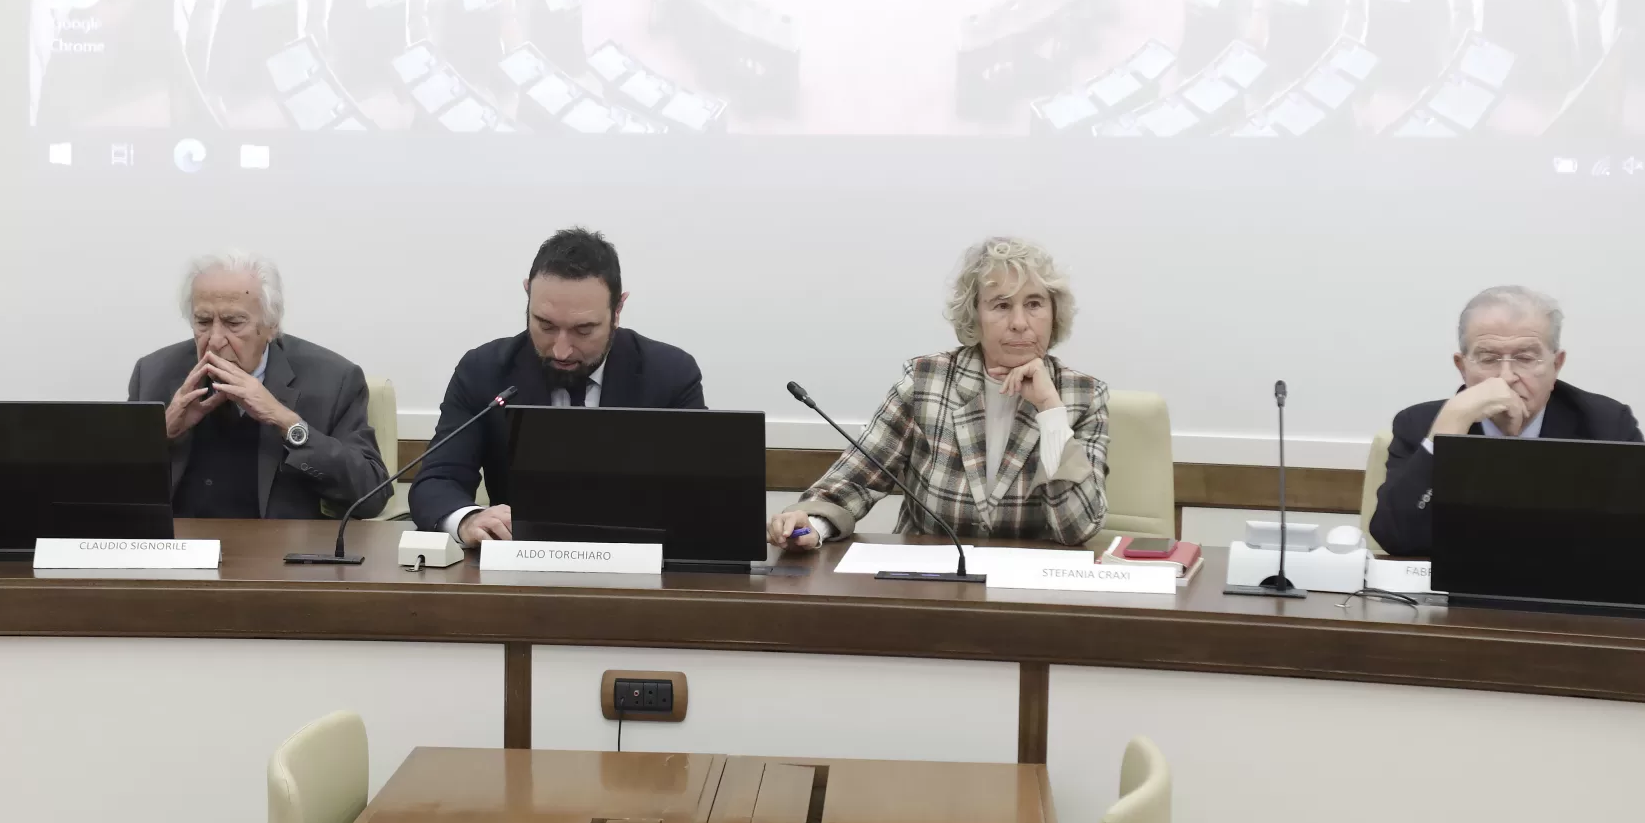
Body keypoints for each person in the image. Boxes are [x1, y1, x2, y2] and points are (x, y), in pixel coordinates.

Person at [769, 237, 1110, 550]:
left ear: (1054, 314)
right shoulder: (926, 381)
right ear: (975, 316)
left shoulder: (1083, 396)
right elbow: (856, 478)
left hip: (1028, 585)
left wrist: (1050, 411)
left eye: (1034, 304)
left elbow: (1077, 529)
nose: (1020, 322)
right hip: (930, 579)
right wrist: (813, 525)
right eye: (1001, 306)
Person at [412, 227, 705, 544]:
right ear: (528, 295)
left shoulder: (670, 375)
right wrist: (468, 520)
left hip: (639, 559)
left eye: (584, 330)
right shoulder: (484, 371)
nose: (561, 350)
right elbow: (437, 481)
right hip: (520, 558)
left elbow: (700, 492)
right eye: (546, 326)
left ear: (617, 310)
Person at [1367, 284, 1643, 557]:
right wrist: (1446, 434)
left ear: (1556, 365)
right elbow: (1395, 537)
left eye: (1525, 358)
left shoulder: (1606, 424)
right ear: (1462, 367)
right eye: (1488, 359)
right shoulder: (1419, 423)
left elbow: (1641, 538)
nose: (1506, 376)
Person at [126, 252, 389, 520]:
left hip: (278, 545)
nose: (215, 340)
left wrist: (288, 423)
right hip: (180, 542)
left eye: (233, 323)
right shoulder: (153, 374)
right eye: (203, 322)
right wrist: (160, 434)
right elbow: (113, 494)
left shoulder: (334, 380)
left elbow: (371, 497)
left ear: (271, 325)